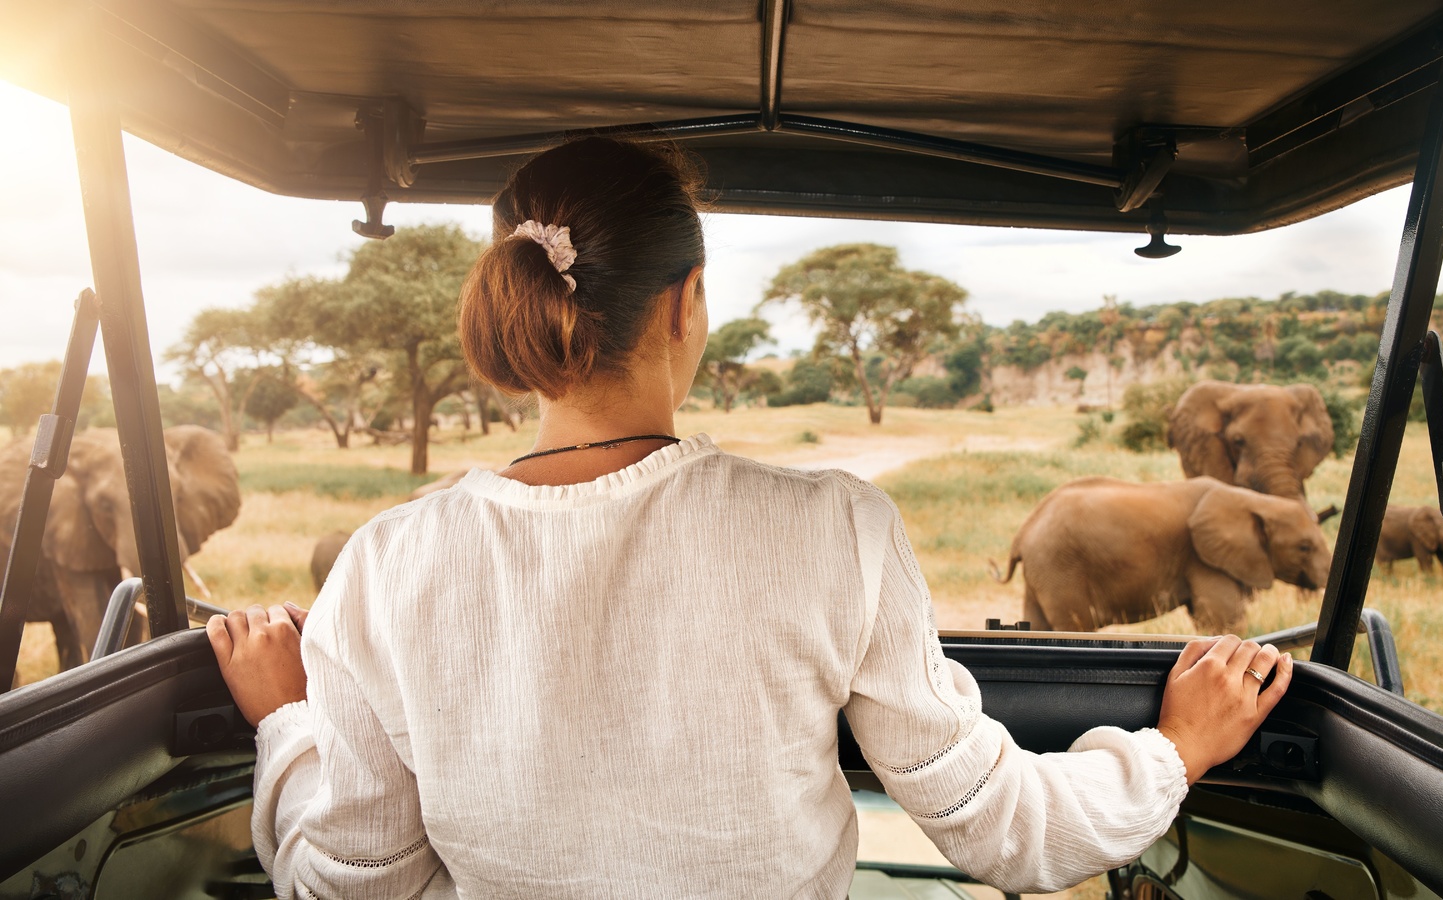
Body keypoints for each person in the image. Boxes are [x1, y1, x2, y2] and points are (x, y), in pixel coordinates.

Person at [207, 137, 1293, 899]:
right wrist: (1173, 750)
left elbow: (351, 884)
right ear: (686, 305)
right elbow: (1004, 830)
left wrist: (286, 725)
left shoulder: (386, 565)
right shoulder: (834, 529)